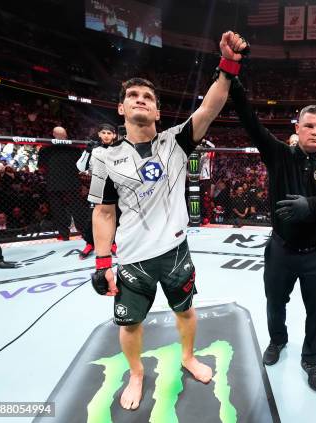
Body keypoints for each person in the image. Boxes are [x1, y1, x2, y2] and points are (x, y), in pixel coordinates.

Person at [88, 31, 247, 411]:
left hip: (175, 252)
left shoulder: (176, 142)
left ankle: (189, 356)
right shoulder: (103, 159)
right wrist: (101, 261)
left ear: (158, 112)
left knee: (187, 311)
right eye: (132, 97)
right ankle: (137, 373)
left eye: (148, 98)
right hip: (131, 259)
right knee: (128, 325)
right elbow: (104, 212)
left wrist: (227, 67)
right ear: (122, 109)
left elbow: (209, 108)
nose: (140, 100)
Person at [229, 39, 316, 392]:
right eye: (309, 125)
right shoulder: (279, 155)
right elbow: (249, 120)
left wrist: (309, 206)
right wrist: (232, 75)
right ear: (297, 128)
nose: (315, 131)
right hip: (280, 250)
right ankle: (277, 340)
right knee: (274, 302)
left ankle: (312, 360)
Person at [37, 126, 88, 241]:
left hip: (56, 183)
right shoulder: (73, 147)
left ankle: (64, 234)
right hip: (70, 182)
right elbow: (81, 166)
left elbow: (41, 168)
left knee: (60, 209)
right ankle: (83, 232)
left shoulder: (46, 148)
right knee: (75, 208)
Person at [76, 123, 118, 259]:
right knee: (92, 219)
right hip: (97, 189)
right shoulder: (93, 149)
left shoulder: (119, 149)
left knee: (116, 217)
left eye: (109, 133)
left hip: (116, 188)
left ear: (114, 135)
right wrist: (87, 151)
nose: (106, 135)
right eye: (104, 133)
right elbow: (80, 167)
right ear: (99, 134)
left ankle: (113, 243)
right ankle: (90, 244)